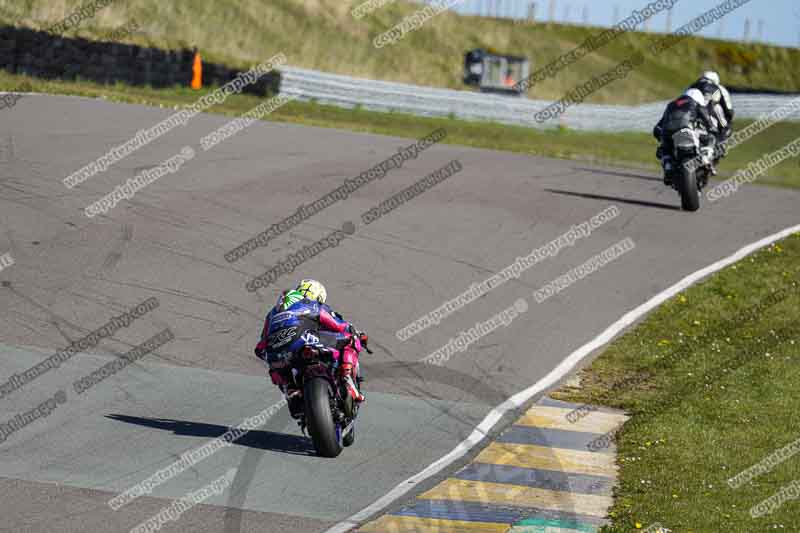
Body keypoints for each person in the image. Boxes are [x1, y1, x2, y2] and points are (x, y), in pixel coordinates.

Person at [254, 279, 366, 421]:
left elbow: (260, 348)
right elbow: (339, 326)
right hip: (305, 340)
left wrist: (270, 355)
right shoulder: (311, 304)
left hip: (275, 351)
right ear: (318, 296)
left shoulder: (272, 313)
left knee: (276, 368)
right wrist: (353, 331)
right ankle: (346, 375)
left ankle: (290, 389)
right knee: (351, 338)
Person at [653, 88, 717, 184]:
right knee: (710, 138)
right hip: (687, 129)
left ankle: (668, 166)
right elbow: (707, 120)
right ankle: (705, 157)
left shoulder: (671, 105)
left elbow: (657, 128)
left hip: (668, 132)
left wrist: (661, 137)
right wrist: (712, 128)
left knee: (664, 148)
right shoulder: (695, 103)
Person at [688, 70, 734, 151]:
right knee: (723, 120)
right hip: (709, 116)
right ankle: (719, 145)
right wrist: (727, 124)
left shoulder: (692, 86)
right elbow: (728, 109)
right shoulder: (720, 88)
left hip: (690, 116)